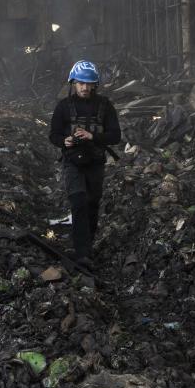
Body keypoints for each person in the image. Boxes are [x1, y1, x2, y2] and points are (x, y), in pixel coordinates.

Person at [48, 60, 121, 269]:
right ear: (73, 82)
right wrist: (64, 141)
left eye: (89, 84)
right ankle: (83, 253)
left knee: (91, 204)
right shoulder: (63, 107)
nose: (85, 88)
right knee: (78, 201)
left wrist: (92, 135)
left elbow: (115, 136)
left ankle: (86, 245)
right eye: (81, 83)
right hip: (72, 162)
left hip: (95, 161)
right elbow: (53, 134)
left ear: (95, 85)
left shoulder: (105, 106)